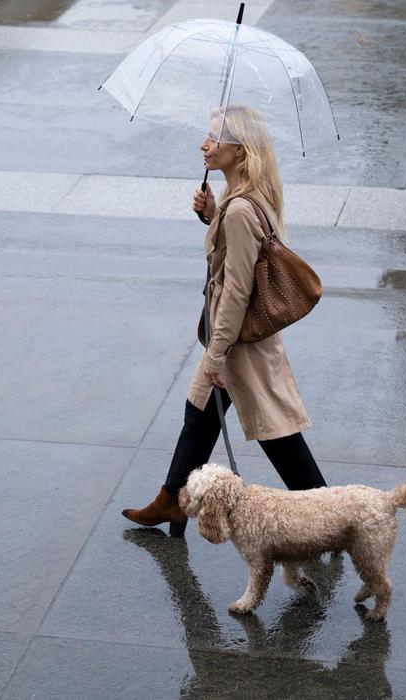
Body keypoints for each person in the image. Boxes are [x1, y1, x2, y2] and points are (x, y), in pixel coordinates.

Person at [122, 103, 327, 536]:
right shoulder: (245, 200)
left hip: (238, 342)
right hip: (235, 337)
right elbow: (241, 257)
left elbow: (237, 289)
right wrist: (210, 214)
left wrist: (217, 353)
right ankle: (172, 500)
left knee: (278, 434)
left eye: (214, 137)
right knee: (199, 414)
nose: (204, 143)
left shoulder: (239, 211)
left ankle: (326, 515)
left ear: (239, 149)